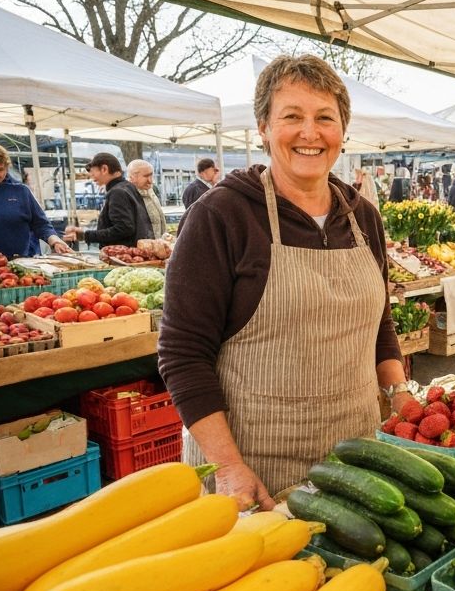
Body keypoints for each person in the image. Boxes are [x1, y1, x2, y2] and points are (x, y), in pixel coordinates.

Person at [158, 55, 407, 509]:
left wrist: (400, 396)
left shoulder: (362, 217)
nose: (310, 133)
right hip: (254, 473)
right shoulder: (222, 215)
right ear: (263, 128)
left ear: (342, 132)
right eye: (292, 117)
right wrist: (229, 467)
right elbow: (182, 354)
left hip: (355, 465)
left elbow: (381, 325)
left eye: (325, 118)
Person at [0, 140, 72, 257]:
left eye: (0, 170)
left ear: (7, 168)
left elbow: (41, 224)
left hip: (22, 262)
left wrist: (55, 241)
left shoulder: (21, 192)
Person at [64, 152, 152, 248]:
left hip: (121, 257)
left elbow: (123, 229)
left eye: (93, 171)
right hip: (133, 254)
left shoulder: (117, 192)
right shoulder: (128, 187)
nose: (91, 175)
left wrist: (86, 235)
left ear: (104, 169)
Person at [127, 159, 167, 238]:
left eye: (151, 175)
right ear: (132, 177)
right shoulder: (127, 196)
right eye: (146, 176)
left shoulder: (150, 190)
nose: (150, 181)